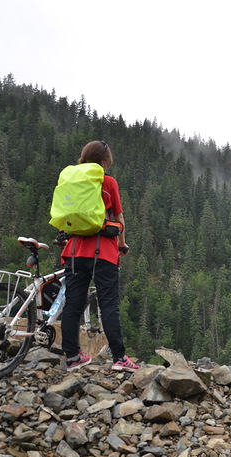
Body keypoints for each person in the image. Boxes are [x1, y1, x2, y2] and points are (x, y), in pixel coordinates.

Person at [60, 140, 139, 372]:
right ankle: (120, 359)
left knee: (73, 305)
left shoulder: (72, 181)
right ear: (105, 161)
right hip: (102, 252)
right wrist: (122, 244)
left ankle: (73, 357)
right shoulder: (108, 182)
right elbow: (119, 218)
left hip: (74, 251)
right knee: (109, 305)